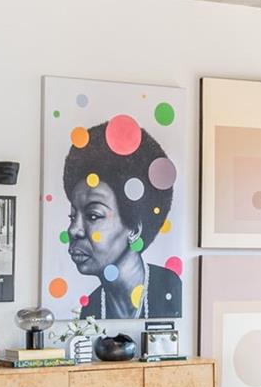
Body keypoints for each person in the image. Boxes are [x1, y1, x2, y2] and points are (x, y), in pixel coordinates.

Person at [62, 121, 180, 318]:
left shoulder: (170, 290)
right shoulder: (91, 310)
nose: (74, 230)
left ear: (134, 229)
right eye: (72, 216)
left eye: (93, 216)